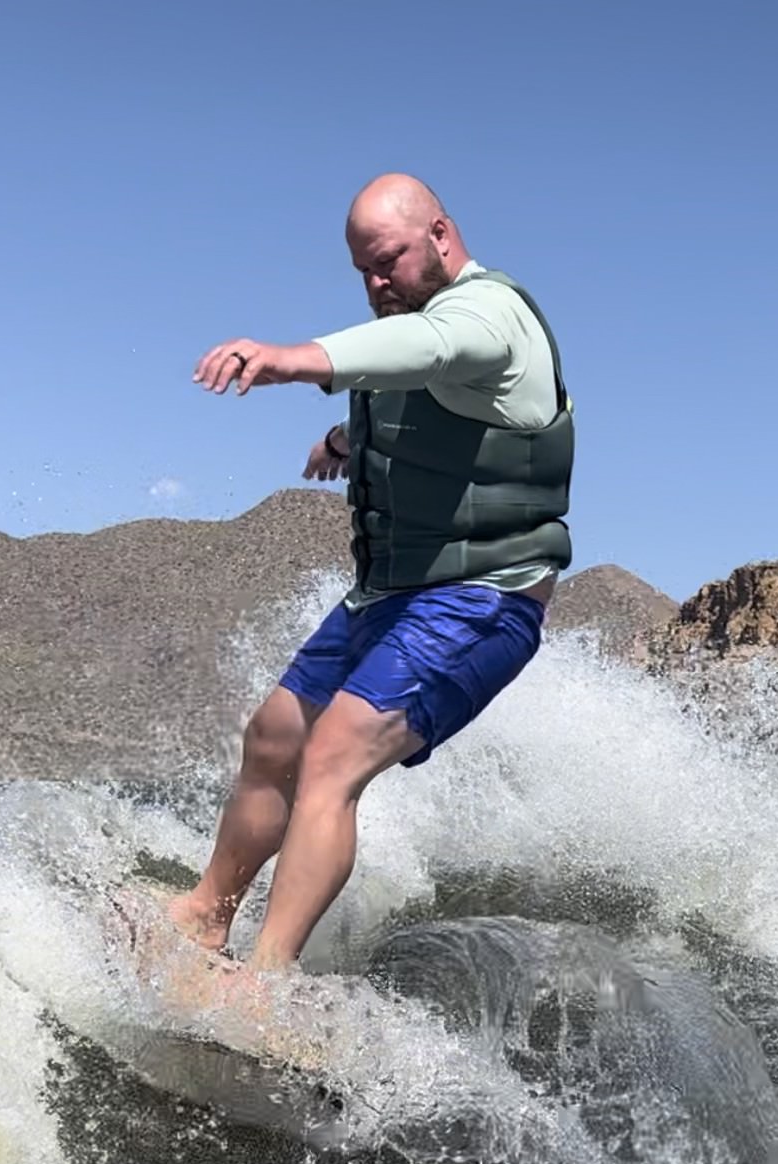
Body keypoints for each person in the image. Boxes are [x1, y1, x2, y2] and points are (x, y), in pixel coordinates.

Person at [168, 172, 574, 972]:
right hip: (389, 596)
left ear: (441, 236)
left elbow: (434, 349)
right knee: (275, 737)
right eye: (362, 270)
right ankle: (200, 920)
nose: (375, 282)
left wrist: (291, 359)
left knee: (332, 755)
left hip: (483, 597)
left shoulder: (491, 313)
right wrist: (344, 439)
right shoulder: (410, 327)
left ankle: (264, 982)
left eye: (387, 261)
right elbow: (424, 403)